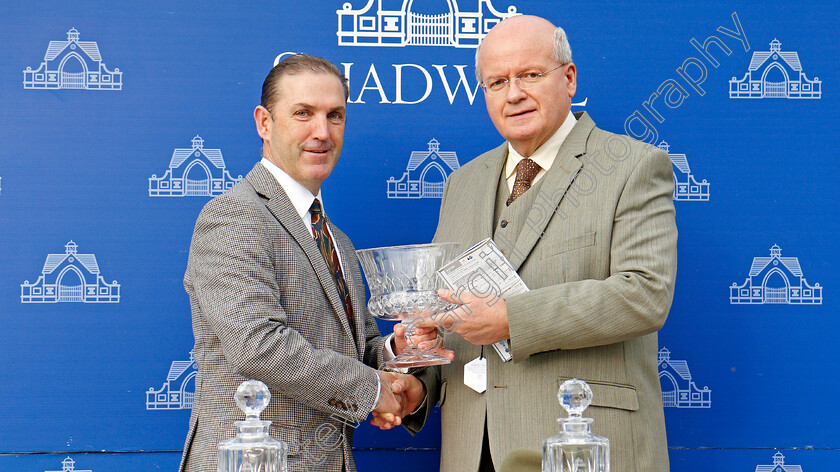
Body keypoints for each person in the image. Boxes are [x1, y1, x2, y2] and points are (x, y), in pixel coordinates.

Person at [407, 15, 678, 472]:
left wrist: (512, 318)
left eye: (530, 75)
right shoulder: (462, 183)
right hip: (473, 452)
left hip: (586, 444)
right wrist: (419, 380)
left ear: (569, 78)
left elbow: (645, 293)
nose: (513, 93)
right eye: (496, 82)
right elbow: (453, 316)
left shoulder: (633, 165)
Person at [179, 54, 432, 472]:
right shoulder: (233, 216)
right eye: (303, 114)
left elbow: (351, 352)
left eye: (335, 115)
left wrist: (393, 353)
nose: (322, 132)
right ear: (264, 123)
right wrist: (373, 390)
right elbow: (257, 345)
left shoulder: (338, 240)